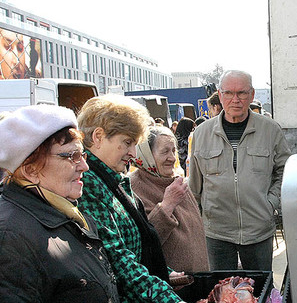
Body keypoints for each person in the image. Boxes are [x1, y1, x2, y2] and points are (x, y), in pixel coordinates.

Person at [0, 105, 120, 302]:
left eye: (82, 155)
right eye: (72, 156)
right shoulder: (11, 237)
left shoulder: (67, 213)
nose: (84, 166)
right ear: (31, 170)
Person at [76, 94, 185, 303]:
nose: (133, 153)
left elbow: (136, 244)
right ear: (98, 136)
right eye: (127, 142)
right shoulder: (88, 185)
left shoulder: (112, 180)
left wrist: (163, 270)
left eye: (135, 143)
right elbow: (118, 261)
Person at [189, 70, 291, 272]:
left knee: (261, 288)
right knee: (222, 290)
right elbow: (195, 184)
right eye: (228, 93)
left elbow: (285, 172)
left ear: (252, 95)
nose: (235, 99)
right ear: (220, 94)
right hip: (217, 232)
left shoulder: (270, 130)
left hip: (258, 230)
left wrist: (270, 203)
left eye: (242, 93)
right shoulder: (202, 133)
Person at [129, 126, 209, 272]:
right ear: (146, 154)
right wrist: (167, 204)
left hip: (197, 280)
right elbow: (145, 242)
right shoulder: (134, 188)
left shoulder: (175, 181)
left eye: (173, 150)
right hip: (170, 286)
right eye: (165, 152)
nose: (172, 158)